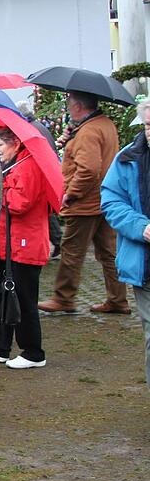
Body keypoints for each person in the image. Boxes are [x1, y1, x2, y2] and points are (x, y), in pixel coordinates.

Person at [39, 91, 129, 314]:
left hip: (86, 203)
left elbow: (88, 169)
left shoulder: (88, 130)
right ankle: (118, 300)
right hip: (106, 198)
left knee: (71, 251)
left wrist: (71, 194)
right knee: (109, 252)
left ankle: (63, 298)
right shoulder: (104, 123)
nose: (68, 107)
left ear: (78, 106)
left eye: (69, 103)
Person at [0, 128, 51, 369]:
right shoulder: (18, 164)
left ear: (15, 143)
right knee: (6, 295)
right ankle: (0, 346)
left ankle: (33, 352)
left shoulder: (28, 166)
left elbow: (20, 203)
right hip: (11, 245)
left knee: (23, 299)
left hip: (24, 246)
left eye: (0, 144)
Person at [101, 98, 150, 390]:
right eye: (147, 125)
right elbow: (111, 201)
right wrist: (141, 228)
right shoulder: (127, 159)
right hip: (146, 265)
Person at [17, 99, 62, 258]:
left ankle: (57, 241)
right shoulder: (40, 126)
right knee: (46, 210)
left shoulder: (32, 129)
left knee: (45, 211)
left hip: (42, 172)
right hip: (46, 170)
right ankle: (57, 241)